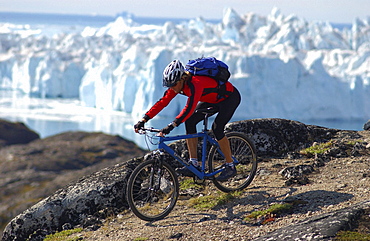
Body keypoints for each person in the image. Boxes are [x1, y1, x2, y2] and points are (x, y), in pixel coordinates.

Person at [134, 59, 241, 181]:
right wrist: (144, 119)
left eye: (174, 85)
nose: (172, 89)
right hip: (212, 100)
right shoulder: (178, 85)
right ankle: (194, 163)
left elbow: (189, 108)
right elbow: (162, 102)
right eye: (170, 86)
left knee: (217, 129)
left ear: (181, 79)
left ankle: (230, 166)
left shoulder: (196, 83)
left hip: (229, 99)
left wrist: (172, 125)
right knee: (190, 122)